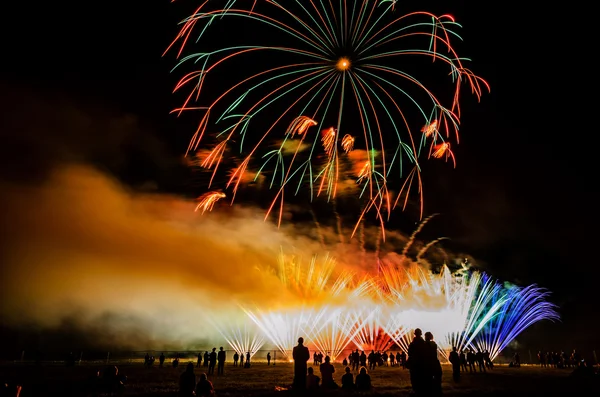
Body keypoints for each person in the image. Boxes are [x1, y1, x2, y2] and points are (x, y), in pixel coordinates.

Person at [407, 328, 427, 395]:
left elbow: (409, 353)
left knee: (414, 378)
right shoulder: (424, 343)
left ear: (415, 334)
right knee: (421, 377)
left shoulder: (413, 343)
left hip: (414, 363)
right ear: (420, 334)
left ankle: (415, 390)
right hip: (422, 363)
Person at [424, 331, 442, 395]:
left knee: (428, 379)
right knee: (437, 379)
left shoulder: (424, 344)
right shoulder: (434, 344)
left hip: (428, 364)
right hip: (435, 362)